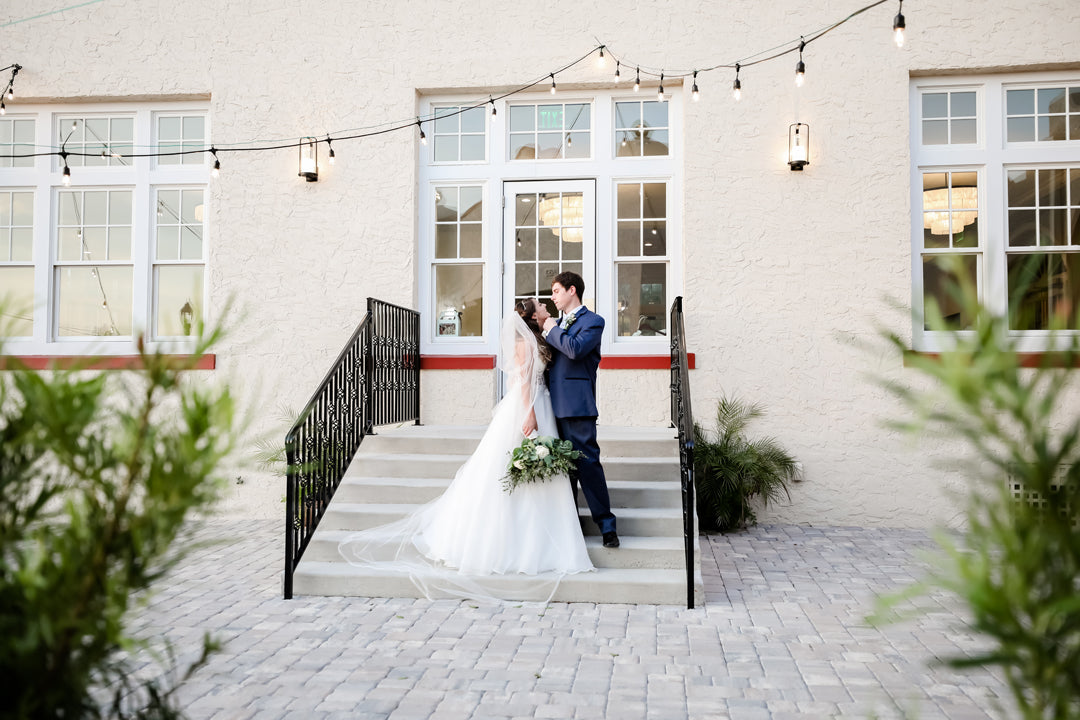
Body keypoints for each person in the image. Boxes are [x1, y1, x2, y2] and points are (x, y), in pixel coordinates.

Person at [338, 298, 593, 602]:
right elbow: (524, 381)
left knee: (534, 472)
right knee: (513, 469)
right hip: (530, 407)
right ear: (531, 315)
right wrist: (529, 413)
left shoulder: (538, 335)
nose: (545, 307)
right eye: (540, 305)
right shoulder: (524, 343)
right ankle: (513, 544)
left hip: (542, 403)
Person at [541, 271, 619, 548]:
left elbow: (574, 350)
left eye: (556, 291)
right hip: (552, 406)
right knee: (564, 470)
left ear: (572, 290)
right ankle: (570, 525)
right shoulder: (557, 324)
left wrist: (551, 329)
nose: (552, 297)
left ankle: (607, 525)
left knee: (588, 465)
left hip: (577, 405)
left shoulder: (593, 322)